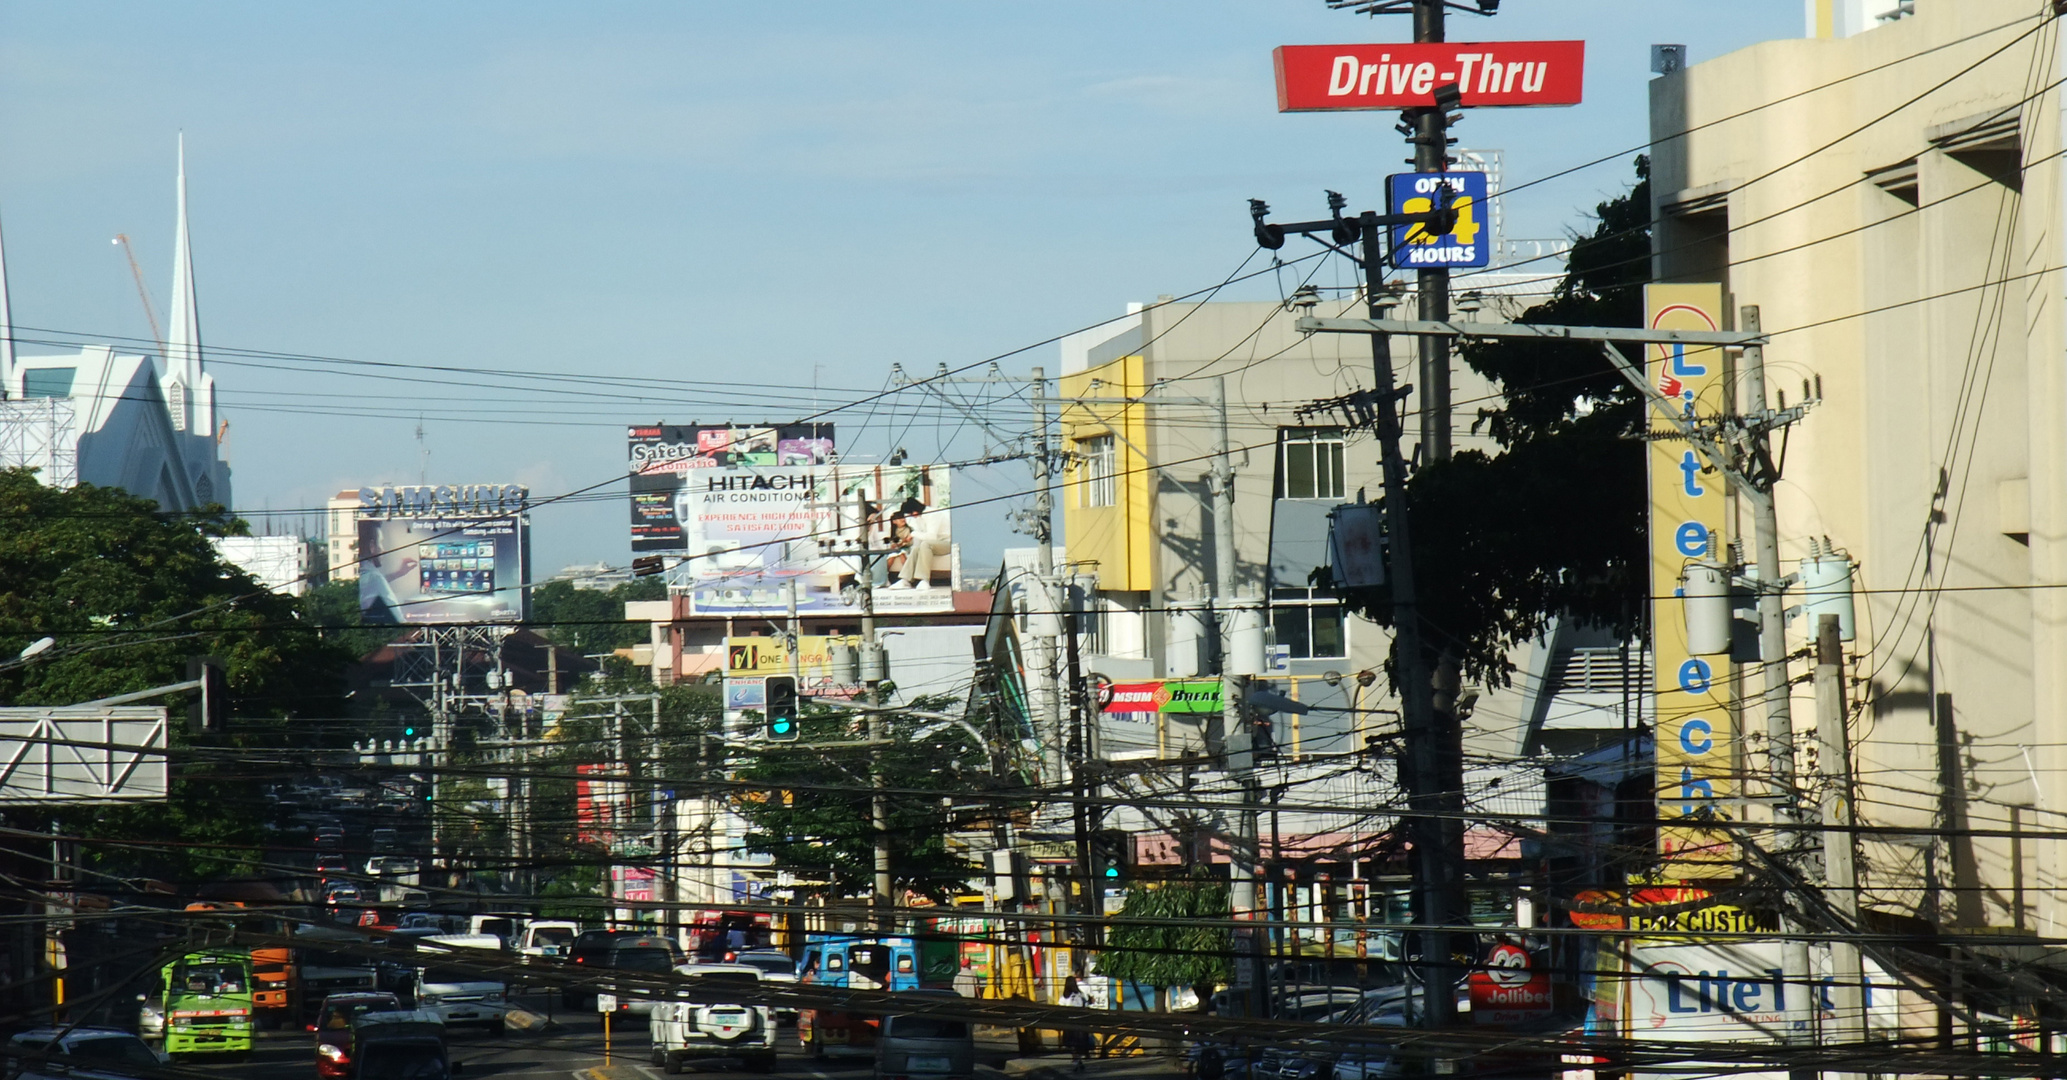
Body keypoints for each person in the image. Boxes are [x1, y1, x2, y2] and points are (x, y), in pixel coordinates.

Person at [1060, 975, 1093, 1071]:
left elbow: (1061, 1009)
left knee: (1072, 1045)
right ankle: (1079, 1061)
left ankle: (1076, 1061)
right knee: (1079, 1044)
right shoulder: (1081, 994)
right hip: (1081, 1024)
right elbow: (1087, 1005)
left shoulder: (1065, 997)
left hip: (1070, 1024)